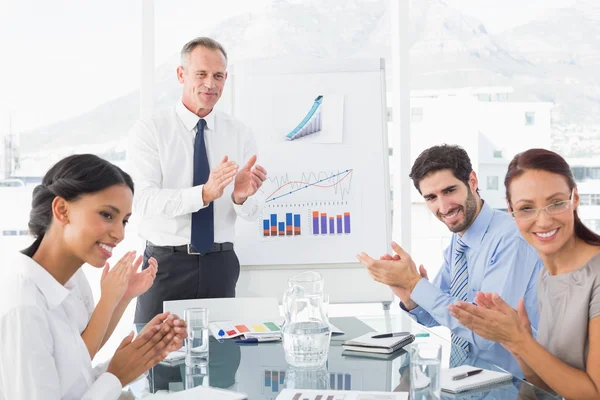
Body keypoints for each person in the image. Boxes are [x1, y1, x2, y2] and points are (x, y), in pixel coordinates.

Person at [0, 154, 185, 399]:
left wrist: (141, 355)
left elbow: (74, 377)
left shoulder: (73, 280)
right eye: (107, 215)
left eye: (125, 221)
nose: (119, 234)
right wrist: (117, 375)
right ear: (62, 210)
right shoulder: (24, 308)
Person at [356, 144, 544, 377]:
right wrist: (409, 293)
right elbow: (436, 314)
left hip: (515, 386)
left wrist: (416, 285)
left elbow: (486, 333)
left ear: (472, 181)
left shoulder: (511, 240)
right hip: (468, 381)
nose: (443, 207)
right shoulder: (460, 241)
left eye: (449, 191)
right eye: (431, 197)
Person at [128, 36, 267, 324]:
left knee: (222, 362)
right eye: (201, 74)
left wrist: (241, 198)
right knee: (157, 361)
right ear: (181, 75)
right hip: (165, 266)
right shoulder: (150, 130)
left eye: (218, 76)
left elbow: (255, 212)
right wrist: (203, 193)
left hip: (220, 264)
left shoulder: (240, 133)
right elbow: (143, 200)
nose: (210, 84)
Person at [449, 149, 600, 399]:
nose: (543, 221)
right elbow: (547, 385)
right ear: (511, 210)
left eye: (556, 203)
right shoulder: (547, 274)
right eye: (526, 208)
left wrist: (520, 341)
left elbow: (594, 394)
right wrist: (515, 344)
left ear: (574, 198)